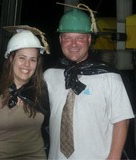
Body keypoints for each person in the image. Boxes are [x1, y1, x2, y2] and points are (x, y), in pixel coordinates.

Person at [44, 5, 135, 159]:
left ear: (89, 39)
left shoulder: (110, 78)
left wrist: (114, 157)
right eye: (68, 38)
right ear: (60, 40)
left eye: (80, 38)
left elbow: (121, 121)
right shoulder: (49, 75)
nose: (73, 44)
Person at [0, 26, 50, 159]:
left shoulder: (41, 91)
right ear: (11, 58)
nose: (27, 64)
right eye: (22, 58)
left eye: (32, 59)